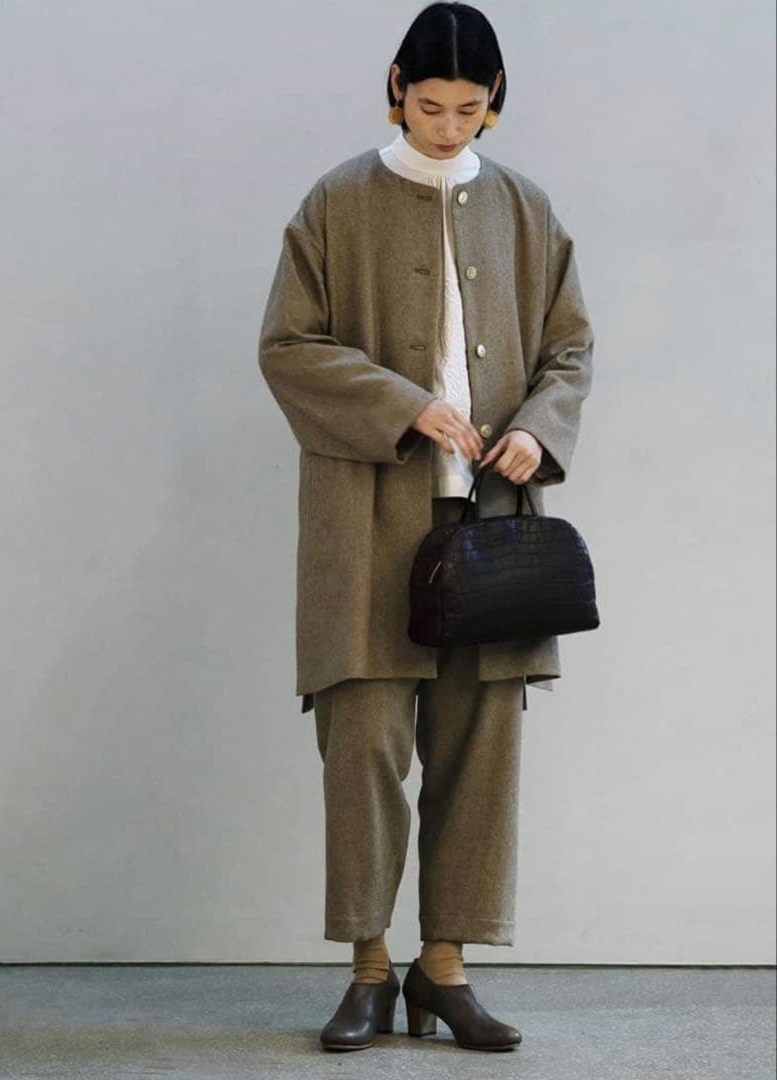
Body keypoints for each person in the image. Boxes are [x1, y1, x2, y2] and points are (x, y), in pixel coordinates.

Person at [257, 1, 594, 1055]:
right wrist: (404, 405)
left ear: (496, 102)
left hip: (492, 519)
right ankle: (368, 971)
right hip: (367, 519)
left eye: (468, 108)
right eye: (431, 105)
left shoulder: (528, 210)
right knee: (363, 741)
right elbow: (288, 346)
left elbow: (570, 351)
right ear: (395, 88)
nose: (448, 127)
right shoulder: (336, 202)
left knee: (480, 745)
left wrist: (538, 429)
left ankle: (443, 970)